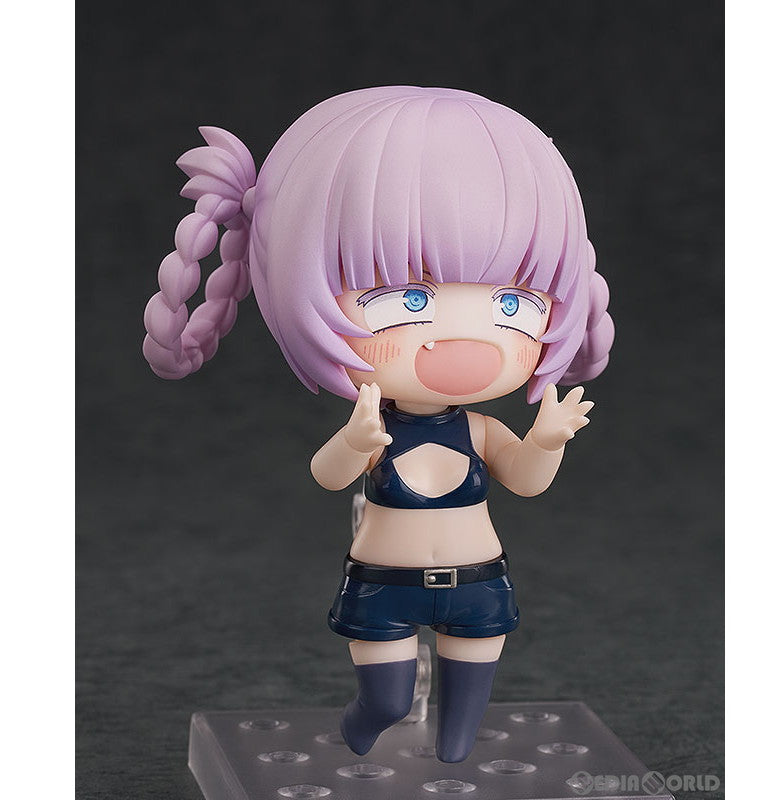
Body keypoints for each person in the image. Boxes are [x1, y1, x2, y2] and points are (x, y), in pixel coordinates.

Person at [143, 86, 614, 762]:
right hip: (383, 586)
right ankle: (363, 730)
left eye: (514, 304)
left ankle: (451, 762)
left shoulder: (480, 430)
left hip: (479, 583)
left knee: (461, 734)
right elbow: (327, 475)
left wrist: (545, 439)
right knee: (386, 702)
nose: (468, 344)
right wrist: (355, 442)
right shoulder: (374, 425)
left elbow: (527, 481)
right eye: (404, 301)